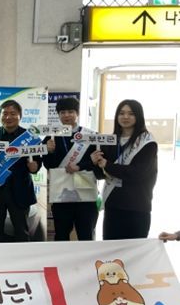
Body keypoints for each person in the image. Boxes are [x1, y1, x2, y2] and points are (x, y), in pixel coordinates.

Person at [91, 99, 158, 240]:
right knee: (111, 250)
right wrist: (95, 162)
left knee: (134, 251)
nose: (125, 117)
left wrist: (107, 165)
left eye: (131, 113)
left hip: (136, 207)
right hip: (113, 206)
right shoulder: (110, 141)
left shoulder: (147, 143)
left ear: (138, 116)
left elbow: (137, 173)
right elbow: (100, 175)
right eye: (121, 113)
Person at [0, 100, 42, 243]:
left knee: (21, 231)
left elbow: (37, 161)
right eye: (5, 113)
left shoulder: (29, 137)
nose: (8, 117)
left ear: (20, 116)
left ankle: (23, 257)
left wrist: (35, 167)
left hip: (20, 190)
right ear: (0, 116)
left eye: (13, 113)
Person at [42, 97, 98, 241]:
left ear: (77, 113)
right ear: (58, 115)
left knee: (86, 235)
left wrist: (80, 166)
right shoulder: (51, 137)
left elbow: (97, 163)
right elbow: (48, 165)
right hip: (62, 194)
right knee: (61, 235)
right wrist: (49, 151)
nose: (66, 115)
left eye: (70, 111)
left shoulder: (90, 135)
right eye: (62, 112)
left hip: (85, 194)